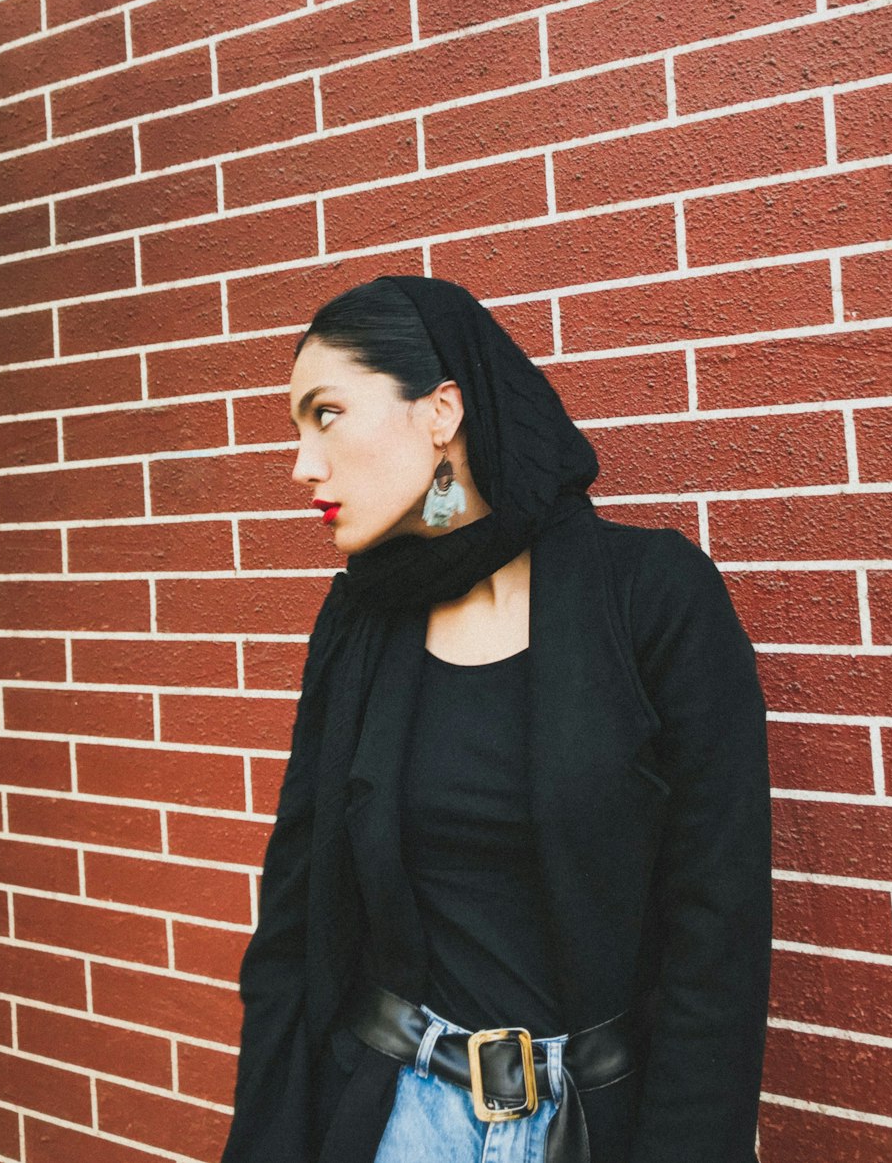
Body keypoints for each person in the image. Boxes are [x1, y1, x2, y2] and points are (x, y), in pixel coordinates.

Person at [219, 273, 772, 1163]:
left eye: (324, 414)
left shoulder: (653, 597)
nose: (302, 465)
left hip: (594, 1128)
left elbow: (720, 932)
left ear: (441, 412)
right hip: (400, 1121)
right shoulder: (361, 623)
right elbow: (293, 918)